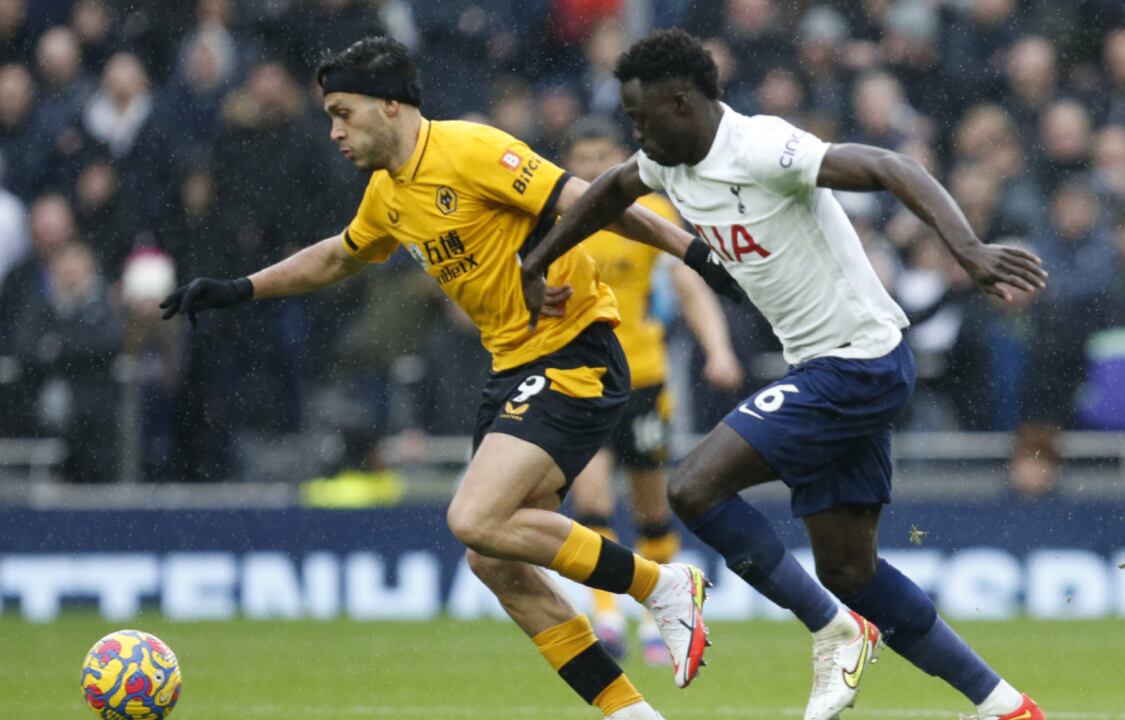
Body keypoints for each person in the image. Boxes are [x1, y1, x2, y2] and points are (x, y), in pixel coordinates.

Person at [159, 36, 744, 720]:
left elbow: (595, 200)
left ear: (391, 107)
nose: (335, 131)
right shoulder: (387, 194)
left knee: (473, 517)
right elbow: (334, 258)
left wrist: (695, 252)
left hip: (573, 350)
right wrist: (238, 288)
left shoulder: (468, 150)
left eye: (344, 113)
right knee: (491, 558)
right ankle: (629, 712)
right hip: (514, 368)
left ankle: (663, 585)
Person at [521, 29, 1049, 720]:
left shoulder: (761, 147)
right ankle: (1006, 706)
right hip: (832, 367)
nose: (635, 132)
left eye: (642, 117)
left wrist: (969, 248)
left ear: (682, 103)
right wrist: (537, 260)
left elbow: (891, 166)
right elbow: (608, 193)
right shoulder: (666, 163)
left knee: (692, 486)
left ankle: (834, 629)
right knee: (851, 569)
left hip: (857, 363)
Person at [562, 115, 744, 664]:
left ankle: (656, 618)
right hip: (580, 380)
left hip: (642, 379)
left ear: (620, 159)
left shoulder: (651, 214)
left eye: (601, 156)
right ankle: (607, 617)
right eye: (583, 158)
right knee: (591, 499)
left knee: (650, 507)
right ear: (569, 165)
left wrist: (719, 350)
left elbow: (689, 286)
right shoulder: (558, 216)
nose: (592, 167)